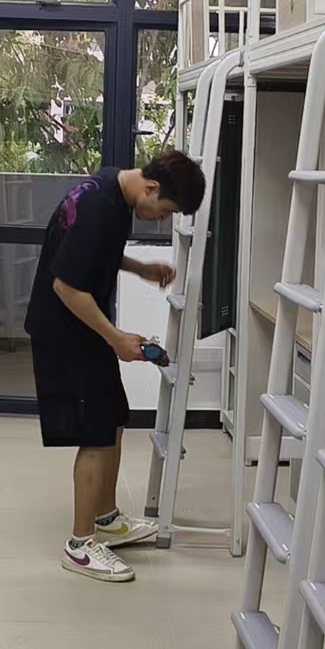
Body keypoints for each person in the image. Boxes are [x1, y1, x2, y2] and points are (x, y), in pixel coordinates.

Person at [24, 150, 207, 582]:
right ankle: (80, 545)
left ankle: (105, 519)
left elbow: (91, 250)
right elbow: (67, 287)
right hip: (64, 330)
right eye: (165, 210)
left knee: (111, 420)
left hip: (82, 327)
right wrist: (116, 338)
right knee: (94, 433)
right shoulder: (99, 208)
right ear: (152, 187)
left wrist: (140, 268)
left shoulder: (112, 185)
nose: (162, 219)